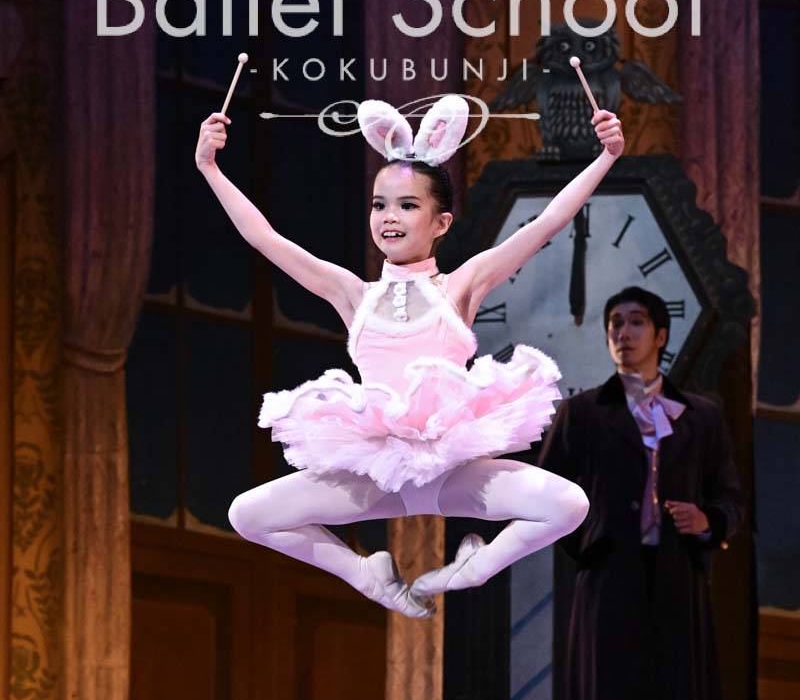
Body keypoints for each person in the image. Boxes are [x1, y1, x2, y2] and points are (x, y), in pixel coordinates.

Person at [194, 95, 624, 618]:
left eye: (407, 205)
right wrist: (210, 167)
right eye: (380, 204)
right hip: (375, 475)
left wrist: (606, 157)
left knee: (570, 504)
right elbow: (263, 237)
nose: (389, 217)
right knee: (248, 515)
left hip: (451, 468)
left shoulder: (460, 285)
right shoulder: (353, 293)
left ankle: (471, 569)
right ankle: (367, 576)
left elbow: (547, 222)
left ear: (441, 223)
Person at [537, 287, 744, 700]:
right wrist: (591, 541)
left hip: (675, 582)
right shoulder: (583, 413)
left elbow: (731, 498)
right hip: (610, 581)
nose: (623, 334)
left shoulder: (701, 415)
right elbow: (544, 496)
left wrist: (709, 521)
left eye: (635, 323)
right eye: (615, 324)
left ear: (660, 335)